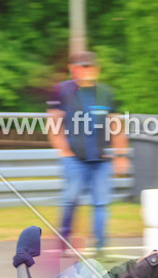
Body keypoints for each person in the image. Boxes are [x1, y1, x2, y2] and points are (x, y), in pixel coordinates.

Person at [46, 51, 129, 257]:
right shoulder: (61, 91)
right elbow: (53, 122)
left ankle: (100, 247)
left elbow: (117, 126)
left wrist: (120, 154)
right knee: (71, 199)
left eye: (89, 66)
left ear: (96, 69)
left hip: (100, 161)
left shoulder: (106, 93)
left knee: (101, 203)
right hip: (74, 159)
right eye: (81, 66)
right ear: (73, 68)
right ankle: (64, 241)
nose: (85, 70)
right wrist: (63, 151)